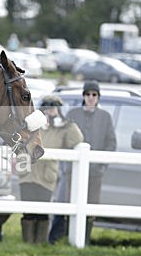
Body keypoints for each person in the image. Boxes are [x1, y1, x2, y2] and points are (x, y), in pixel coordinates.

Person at [48, 81, 116, 244]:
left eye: (94, 94)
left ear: (98, 97)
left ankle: (84, 239)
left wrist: (101, 165)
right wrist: (66, 164)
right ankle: (60, 238)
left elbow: (111, 143)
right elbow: (63, 138)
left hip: (94, 173)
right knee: (67, 202)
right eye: (88, 94)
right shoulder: (73, 114)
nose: (91, 97)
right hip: (72, 171)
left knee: (90, 206)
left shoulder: (105, 117)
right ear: (83, 96)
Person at [18, 95, 83, 244]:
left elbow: (77, 140)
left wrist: (67, 124)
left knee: (42, 212)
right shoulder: (33, 127)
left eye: (54, 108)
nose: (51, 111)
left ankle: (40, 243)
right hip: (28, 174)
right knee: (28, 212)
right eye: (48, 108)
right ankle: (28, 243)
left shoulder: (61, 129)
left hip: (46, 177)